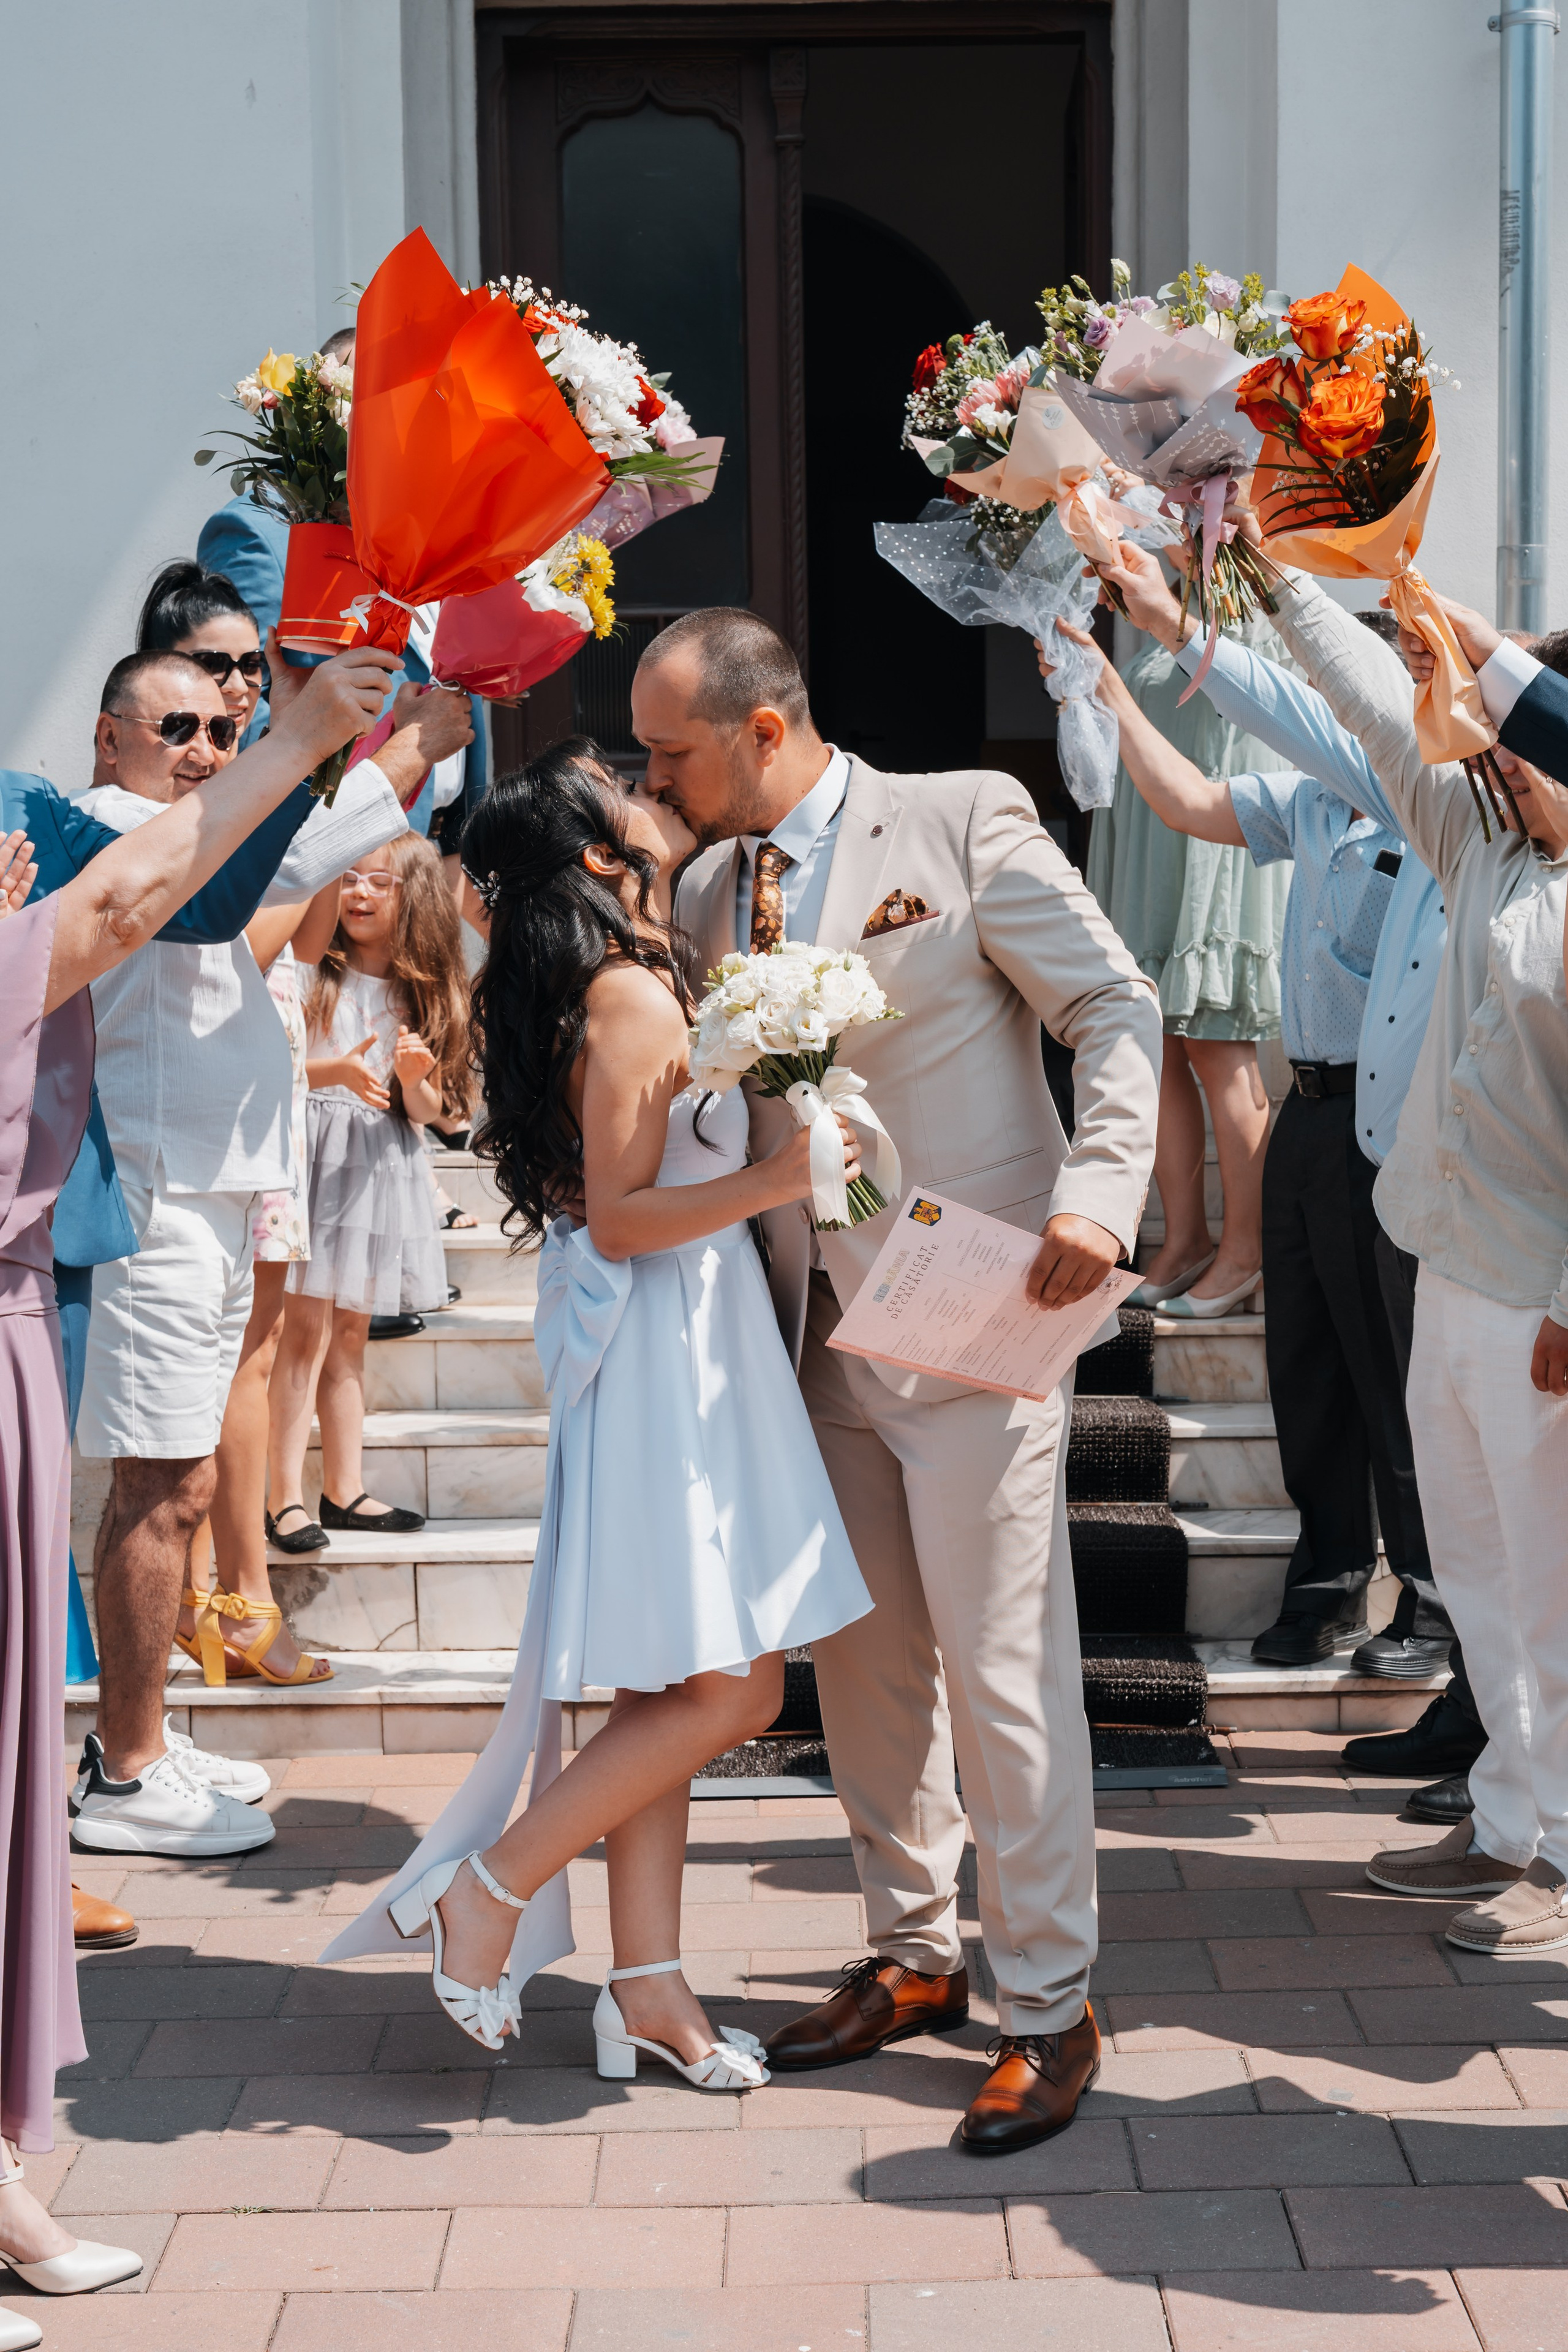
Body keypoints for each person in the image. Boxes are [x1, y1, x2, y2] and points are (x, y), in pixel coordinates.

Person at [641, 610, 1161, 2152]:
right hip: (801, 1327)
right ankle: (912, 1950)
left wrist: (1099, 1195)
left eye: (671, 749)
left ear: (760, 727)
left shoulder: (958, 818)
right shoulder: (692, 889)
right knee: (861, 1666)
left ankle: (1050, 2004)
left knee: (1003, 1669)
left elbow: (1113, 1007)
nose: (653, 778)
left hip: (975, 1300)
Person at [320, 743, 872, 2089]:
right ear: (592, 853)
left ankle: (646, 1987)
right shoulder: (623, 994)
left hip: (683, 1337)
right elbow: (625, 1219)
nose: (645, 784)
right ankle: (487, 1889)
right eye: (617, 784)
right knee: (734, 1686)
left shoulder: (616, 977)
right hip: (668, 1343)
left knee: (665, 1682)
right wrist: (784, 1173)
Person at [0, 639, 385, 2295]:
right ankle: (130, 1764)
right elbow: (154, 898)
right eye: (182, 715)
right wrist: (307, 730)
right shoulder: (79, 850)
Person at [1085, 551, 1485, 1798]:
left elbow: (1301, 703)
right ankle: (1328, 1576)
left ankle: (1430, 1608)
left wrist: (1188, 606)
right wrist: (1110, 691)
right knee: (1307, 1359)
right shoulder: (1320, 800)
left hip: (1407, 1129)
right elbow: (1195, 804)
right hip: (1314, 1109)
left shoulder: (1432, 798)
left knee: (1402, 1381)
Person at [70, 646, 470, 1856]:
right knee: (161, 1485)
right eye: (174, 725)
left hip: (216, 1184)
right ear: (110, 738)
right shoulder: (112, 827)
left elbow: (276, 859)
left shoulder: (198, 820)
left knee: (185, 1485)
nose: (203, 745)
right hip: (156, 1194)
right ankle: (128, 1772)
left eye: (217, 725)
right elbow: (284, 864)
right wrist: (397, 745)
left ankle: (144, 1730)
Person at [1261, 573, 1568, 1953]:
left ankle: (1555, 1852)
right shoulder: (1485, 844)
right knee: (1481, 1567)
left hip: (1542, 1292)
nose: (1493, 761)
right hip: (1444, 1250)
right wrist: (1273, 578)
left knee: (1552, 1583)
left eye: (1517, 744)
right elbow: (1375, 714)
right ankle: (1510, 1821)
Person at [1085, 511, 1289, 1319]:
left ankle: (1249, 1247)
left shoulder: (1258, 610)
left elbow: (1250, 705)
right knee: (1154, 1043)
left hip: (1212, 849)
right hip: (1148, 846)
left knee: (1213, 1042)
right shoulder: (1160, 599)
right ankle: (1186, 1238)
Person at [266, 834, 471, 1544]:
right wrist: (337, 1075)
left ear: (410, 896)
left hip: (377, 1166)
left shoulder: (426, 994)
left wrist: (414, 1082)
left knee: (350, 1332)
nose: (357, 893)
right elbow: (281, 1068)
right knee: (302, 1330)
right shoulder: (313, 976)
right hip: (312, 1157)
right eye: (348, 878)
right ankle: (280, 1495)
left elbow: (428, 1114)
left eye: (377, 882)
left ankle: (343, 1488)